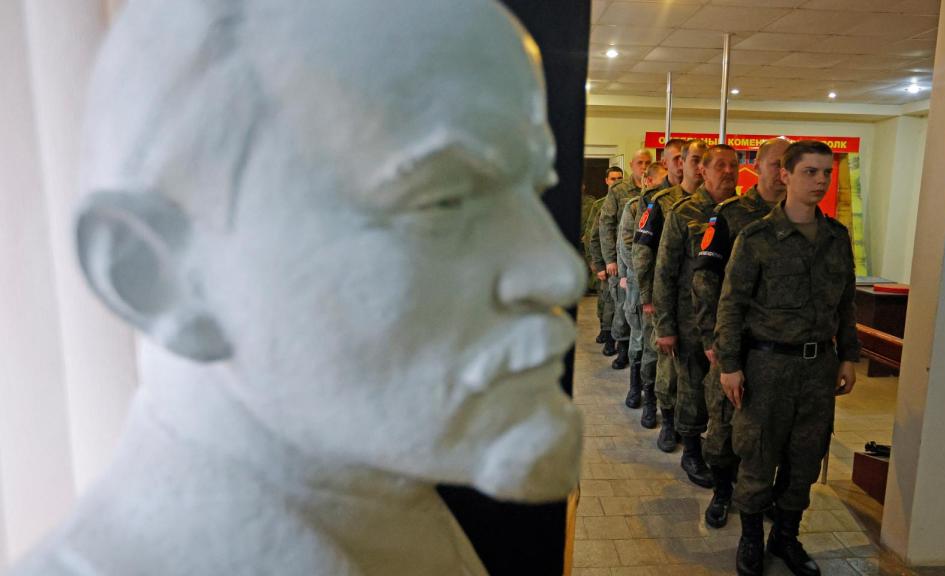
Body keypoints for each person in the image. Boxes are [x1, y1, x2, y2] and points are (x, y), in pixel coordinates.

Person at [11, 0, 586, 574]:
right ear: (157, 278)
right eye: (442, 200)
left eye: (532, 189)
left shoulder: (376, 508)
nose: (561, 272)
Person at [715, 141, 859, 576]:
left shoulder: (836, 238)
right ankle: (752, 539)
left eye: (825, 173)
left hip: (818, 369)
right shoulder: (756, 237)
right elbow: (731, 304)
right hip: (766, 367)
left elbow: (846, 304)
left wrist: (849, 356)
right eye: (810, 172)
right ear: (786, 176)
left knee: (805, 460)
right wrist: (729, 364)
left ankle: (787, 535)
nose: (819, 181)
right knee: (758, 456)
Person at [691, 137, 790, 528]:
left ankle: (759, 497)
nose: (781, 173)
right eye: (775, 164)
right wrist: (715, 339)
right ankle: (721, 492)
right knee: (723, 427)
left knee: (768, 432)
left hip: (778, 351)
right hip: (735, 343)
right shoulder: (728, 215)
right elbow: (705, 281)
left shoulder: (801, 219)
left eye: (788, 166)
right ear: (760, 165)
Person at [651, 143, 734, 489]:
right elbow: (665, 273)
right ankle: (692, 449)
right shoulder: (683, 213)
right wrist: (665, 327)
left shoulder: (743, 214)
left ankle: (725, 454)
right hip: (689, 322)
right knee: (692, 389)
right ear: (703, 171)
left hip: (730, 323)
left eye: (734, 166)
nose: (728, 173)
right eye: (720, 166)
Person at [628, 139, 688, 432]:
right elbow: (642, 249)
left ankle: (682, 419)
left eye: (684, 158)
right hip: (660, 292)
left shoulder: (710, 201)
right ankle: (652, 401)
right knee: (654, 352)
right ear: (667, 163)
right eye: (675, 158)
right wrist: (647, 294)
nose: (680, 163)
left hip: (690, 297)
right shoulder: (655, 199)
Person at [618, 163, 668, 422]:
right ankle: (638, 387)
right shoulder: (634, 207)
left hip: (665, 286)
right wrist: (636, 277)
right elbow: (628, 245)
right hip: (640, 283)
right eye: (660, 183)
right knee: (640, 338)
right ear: (647, 181)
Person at [599, 149, 653, 369]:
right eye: (640, 162)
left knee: (641, 311)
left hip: (644, 262)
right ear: (632, 164)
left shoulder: (655, 190)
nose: (643, 166)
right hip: (622, 261)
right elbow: (606, 224)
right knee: (623, 307)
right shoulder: (619, 191)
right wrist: (610, 259)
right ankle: (622, 350)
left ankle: (639, 355)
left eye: (648, 162)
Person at [589, 167, 623, 349]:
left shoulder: (630, 201)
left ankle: (616, 336)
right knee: (607, 300)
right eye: (613, 178)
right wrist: (598, 263)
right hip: (607, 261)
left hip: (622, 261)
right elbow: (593, 236)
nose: (616, 182)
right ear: (606, 181)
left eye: (619, 178)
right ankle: (607, 332)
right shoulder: (600, 205)